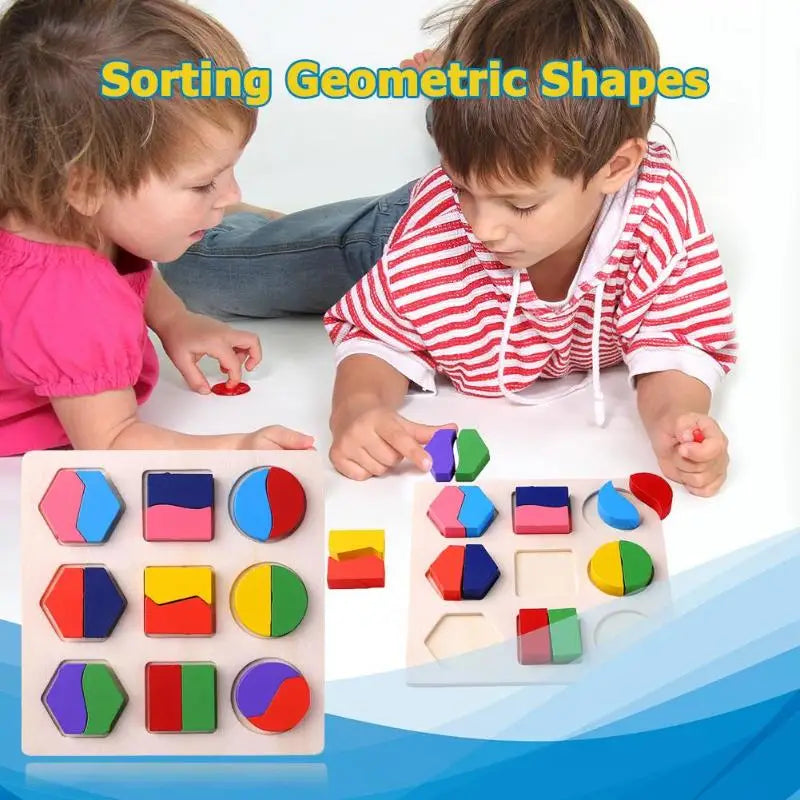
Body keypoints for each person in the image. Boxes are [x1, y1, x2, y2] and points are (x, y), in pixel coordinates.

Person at [323, 0, 736, 496]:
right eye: (464, 191)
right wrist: (358, 407)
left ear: (616, 167)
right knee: (229, 269)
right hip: (395, 225)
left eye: (519, 206)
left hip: (467, 181)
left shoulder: (660, 217)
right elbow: (381, 332)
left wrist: (678, 420)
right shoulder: (443, 225)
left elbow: (677, 340)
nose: (484, 229)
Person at [0, 0, 314, 456]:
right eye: (203, 183)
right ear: (85, 185)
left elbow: (126, 265)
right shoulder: (72, 302)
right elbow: (110, 440)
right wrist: (236, 450)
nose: (231, 195)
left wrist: (174, 320)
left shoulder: (67, 209)